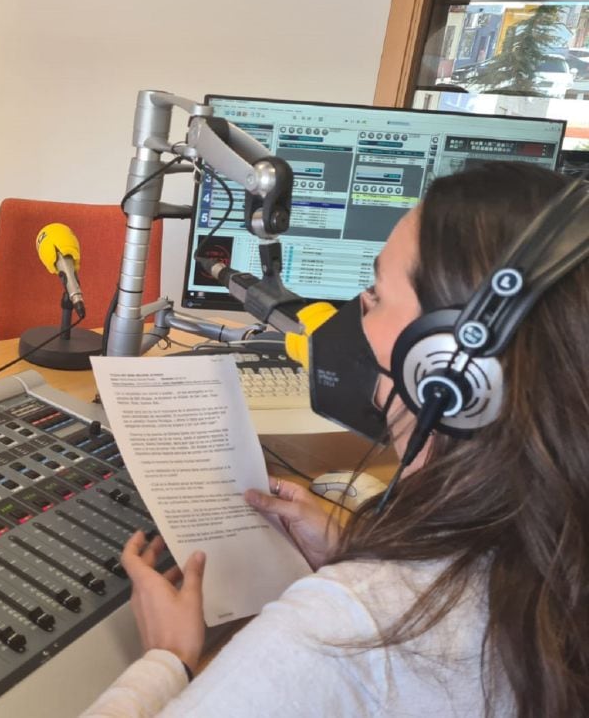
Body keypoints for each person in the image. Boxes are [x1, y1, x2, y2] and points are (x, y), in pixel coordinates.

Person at [83, 163, 589, 717]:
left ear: (442, 365)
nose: (357, 309)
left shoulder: (339, 634)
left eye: (376, 293)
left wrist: (166, 659)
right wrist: (353, 548)